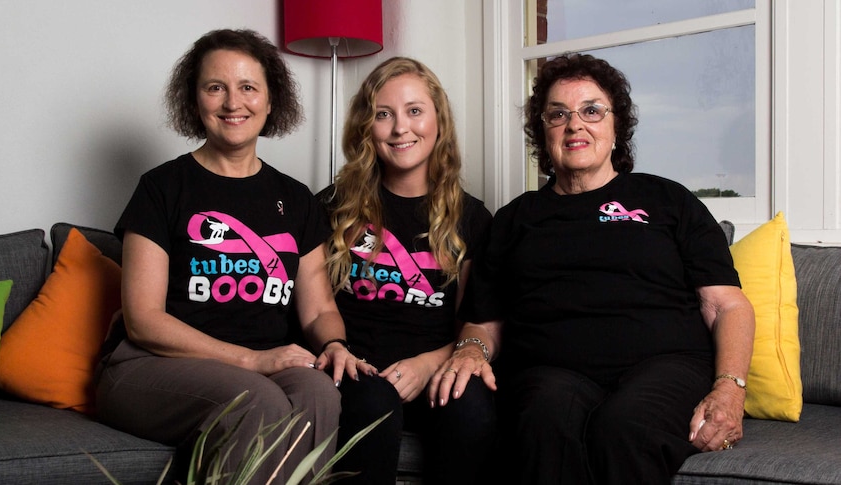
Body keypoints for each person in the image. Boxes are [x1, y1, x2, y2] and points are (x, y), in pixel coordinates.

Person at [428, 53, 756, 484]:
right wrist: (472, 348)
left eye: (591, 111)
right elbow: (482, 323)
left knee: (623, 427)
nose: (574, 124)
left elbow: (727, 306)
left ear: (616, 126)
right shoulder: (514, 220)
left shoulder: (668, 201)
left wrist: (730, 387)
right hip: (549, 373)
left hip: (665, 366)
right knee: (543, 419)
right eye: (557, 114)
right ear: (543, 133)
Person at [94, 29, 375, 484]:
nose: (232, 103)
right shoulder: (162, 188)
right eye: (215, 87)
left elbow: (320, 307)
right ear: (195, 99)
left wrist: (334, 344)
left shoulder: (296, 199)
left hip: (263, 367)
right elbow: (142, 319)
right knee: (256, 398)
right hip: (150, 367)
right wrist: (250, 361)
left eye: (247, 87)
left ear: (270, 101)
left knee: (319, 393)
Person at [319, 56, 496, 484]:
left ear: (439, 122)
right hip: (355, 372)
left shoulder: (472, 217)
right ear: (367, 127)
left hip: (434, 366)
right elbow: (312, 308)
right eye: (384, 114)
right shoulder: (330, 207)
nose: (401, 128)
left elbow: (476, 324)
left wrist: (426, 365)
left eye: (415, 111)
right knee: (373, 402)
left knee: (469, 401)